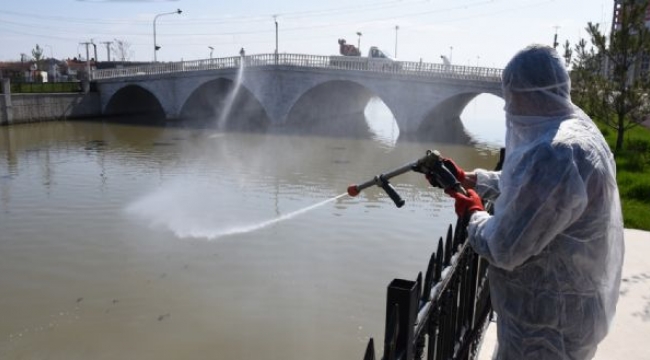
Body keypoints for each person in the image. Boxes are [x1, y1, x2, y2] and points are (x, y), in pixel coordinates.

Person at [432, 44, 625, 359]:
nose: (508, 108)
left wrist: (474, 214)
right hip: (571, 310)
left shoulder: (555, 153)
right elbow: (537, 193)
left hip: (548, 322)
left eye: (511, 96)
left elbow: (504, 246)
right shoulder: (577, 135)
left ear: (527, 93)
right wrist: (474, 179)